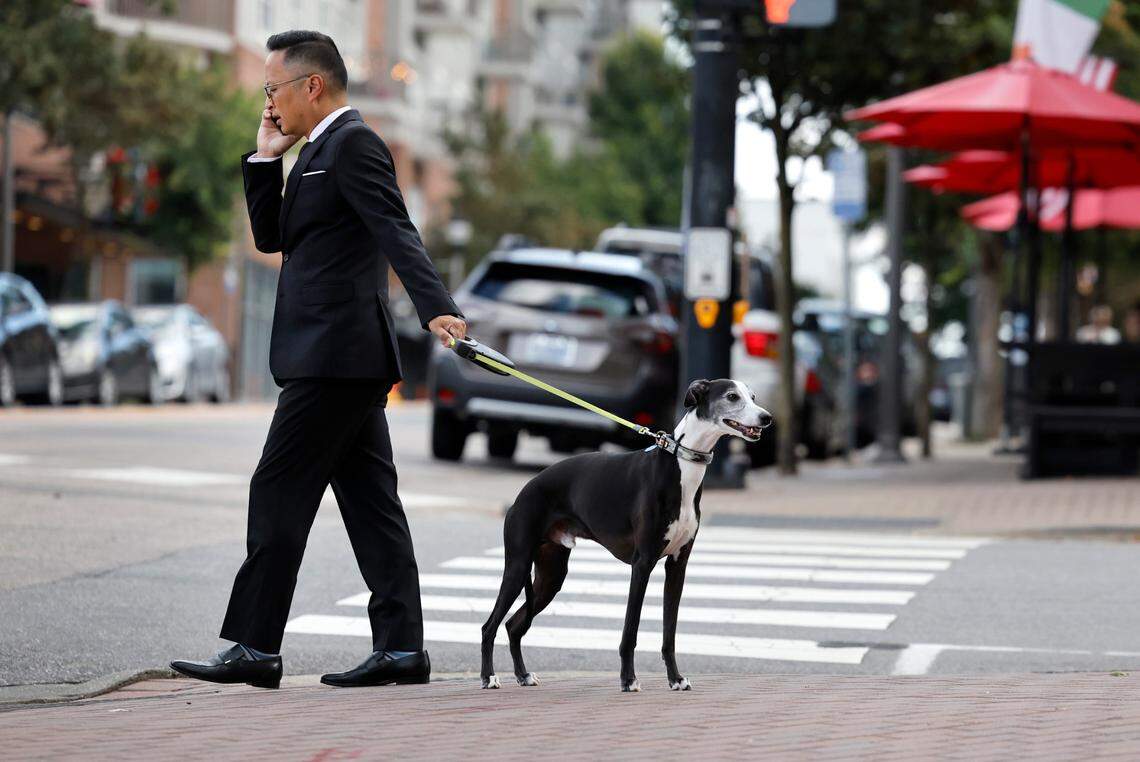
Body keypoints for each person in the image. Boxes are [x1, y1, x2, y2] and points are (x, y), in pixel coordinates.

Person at [171, 31, 466, 689]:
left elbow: (396, 230)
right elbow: (274, 237)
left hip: (334, 355)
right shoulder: (311, 154)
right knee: (370, 504)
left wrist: (435, 306)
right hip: (339, 358)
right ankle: (400, 648)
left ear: (312, 86)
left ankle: (256, 646)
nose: (267, 101)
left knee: (278, 487)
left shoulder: (355, 144)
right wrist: (264, 158)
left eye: (272, 88)